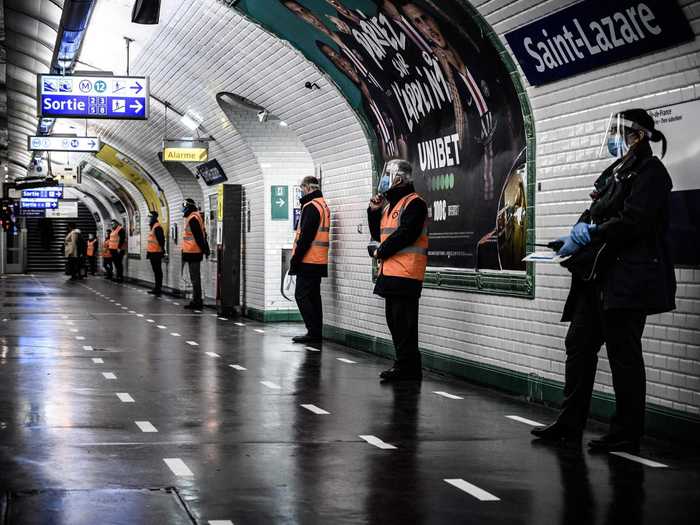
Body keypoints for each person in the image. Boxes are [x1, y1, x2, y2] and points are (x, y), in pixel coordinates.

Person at [531, 109, 676, 453]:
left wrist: (591, 232)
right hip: (595, 277)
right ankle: (569, 423)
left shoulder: (651, 173)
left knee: (623, 354)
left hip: (626, 278)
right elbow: (593, 212)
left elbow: (634, 221)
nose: (612, 138)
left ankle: (627, 431)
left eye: (619, 132)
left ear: (637, 136)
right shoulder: (614, 172)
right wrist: (571, 237)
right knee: (578, 346)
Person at [367, 159, 429, 381]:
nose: (383, 180)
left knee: (405, 324)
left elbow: (406, 233)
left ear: (399, 179)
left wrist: (380, 251)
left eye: (388, 175)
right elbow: (378, 233)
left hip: (407, 273)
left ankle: (407, 367)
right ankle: (405, 364)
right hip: (391, 272)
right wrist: (374, 211)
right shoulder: (389, 205)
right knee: (395, 322)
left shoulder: (415, 203)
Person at [289, 176, 331, 345]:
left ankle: (312, 331)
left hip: (308, 259)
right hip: (318, 259)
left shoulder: (311, 206)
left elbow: (306, 237)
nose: (301, 191)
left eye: (301, 188)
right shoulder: (322, 205)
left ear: (307, 187)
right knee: (313, 296)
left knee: (301, 295)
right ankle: (315, 331)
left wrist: (295, 260)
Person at [181, 198, 209, 309]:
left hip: (194, 252)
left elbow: (198, 236)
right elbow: (202, 235)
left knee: (195, 278)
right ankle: (196, 300)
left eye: (184, 206)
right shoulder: (193, 217)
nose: (183, 209)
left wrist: (204, 249)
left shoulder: (193, 218)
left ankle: (197, 302)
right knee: (194, 277)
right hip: (191, 251)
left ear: (189, 206)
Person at [146, 211, 166, 296]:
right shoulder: (153, 227)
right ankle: (157, 287)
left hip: (156, 253)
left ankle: (158, 288)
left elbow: (161, 240)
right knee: (156, 271)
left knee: (158, 271)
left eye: (150, 216)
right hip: (152, 252)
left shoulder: (157, 227)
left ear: (154, 217)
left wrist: (163, 250)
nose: (148, 218)